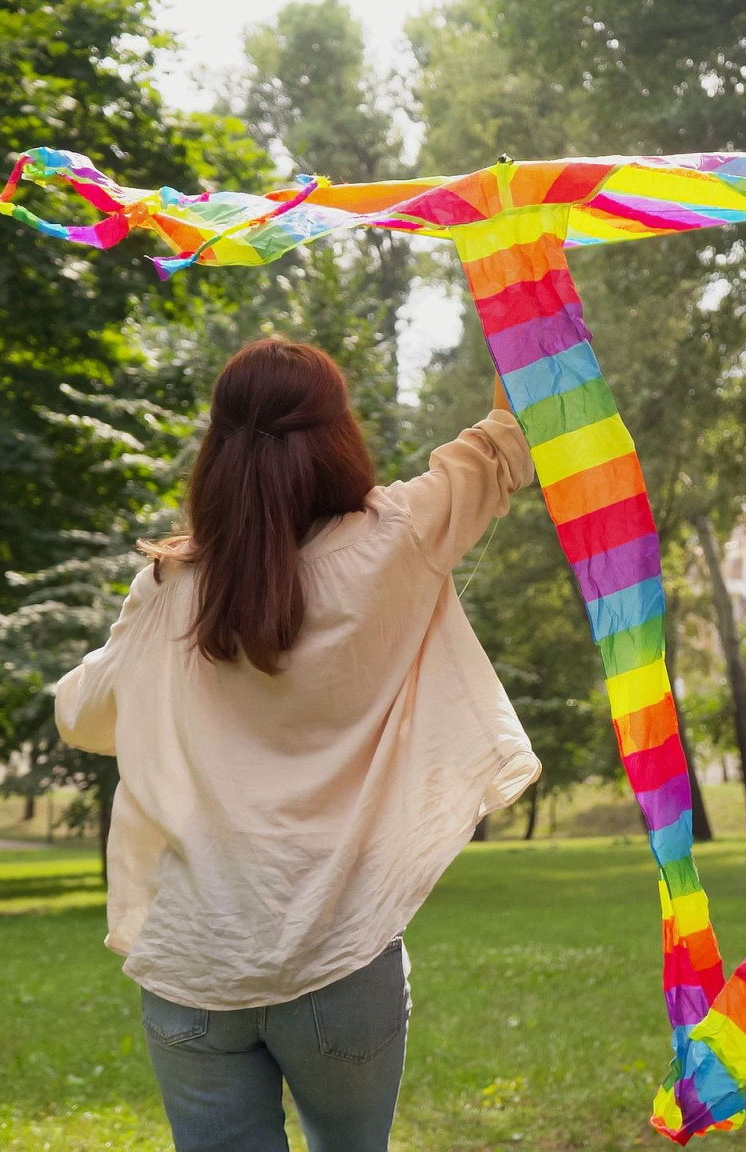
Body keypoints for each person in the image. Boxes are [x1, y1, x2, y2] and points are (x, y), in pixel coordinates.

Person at [55, 337, 539, 1152]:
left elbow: (82, 716)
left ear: (216, 449)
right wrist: (520, 292)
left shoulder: (169, 587)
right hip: (341, 961)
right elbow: (508, 432)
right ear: (337, 434)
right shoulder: (399, 537)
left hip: (195, 966)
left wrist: (141, 671)